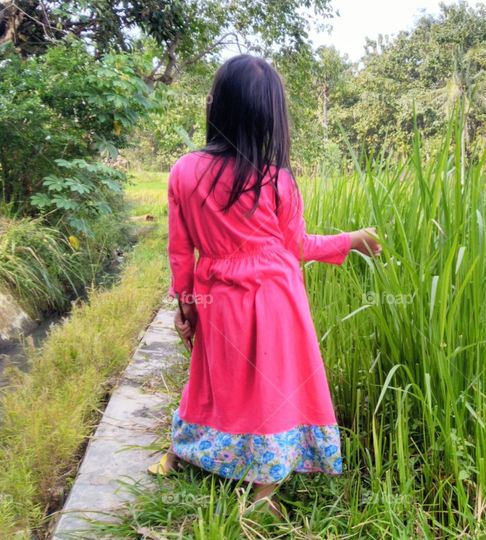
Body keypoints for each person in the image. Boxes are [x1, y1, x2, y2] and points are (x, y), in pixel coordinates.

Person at [147, 54, 381, 517]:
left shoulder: (184, 172)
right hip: (275, 300)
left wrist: (187, 305)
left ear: (217, 107)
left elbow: (181, 251)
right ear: (270, 117)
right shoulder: (278, 181)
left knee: (210, 378)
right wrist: (350, 241)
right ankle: (263, 491)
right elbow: (297, 245)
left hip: (215, 297)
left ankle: (179, 453)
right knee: (272, 387)